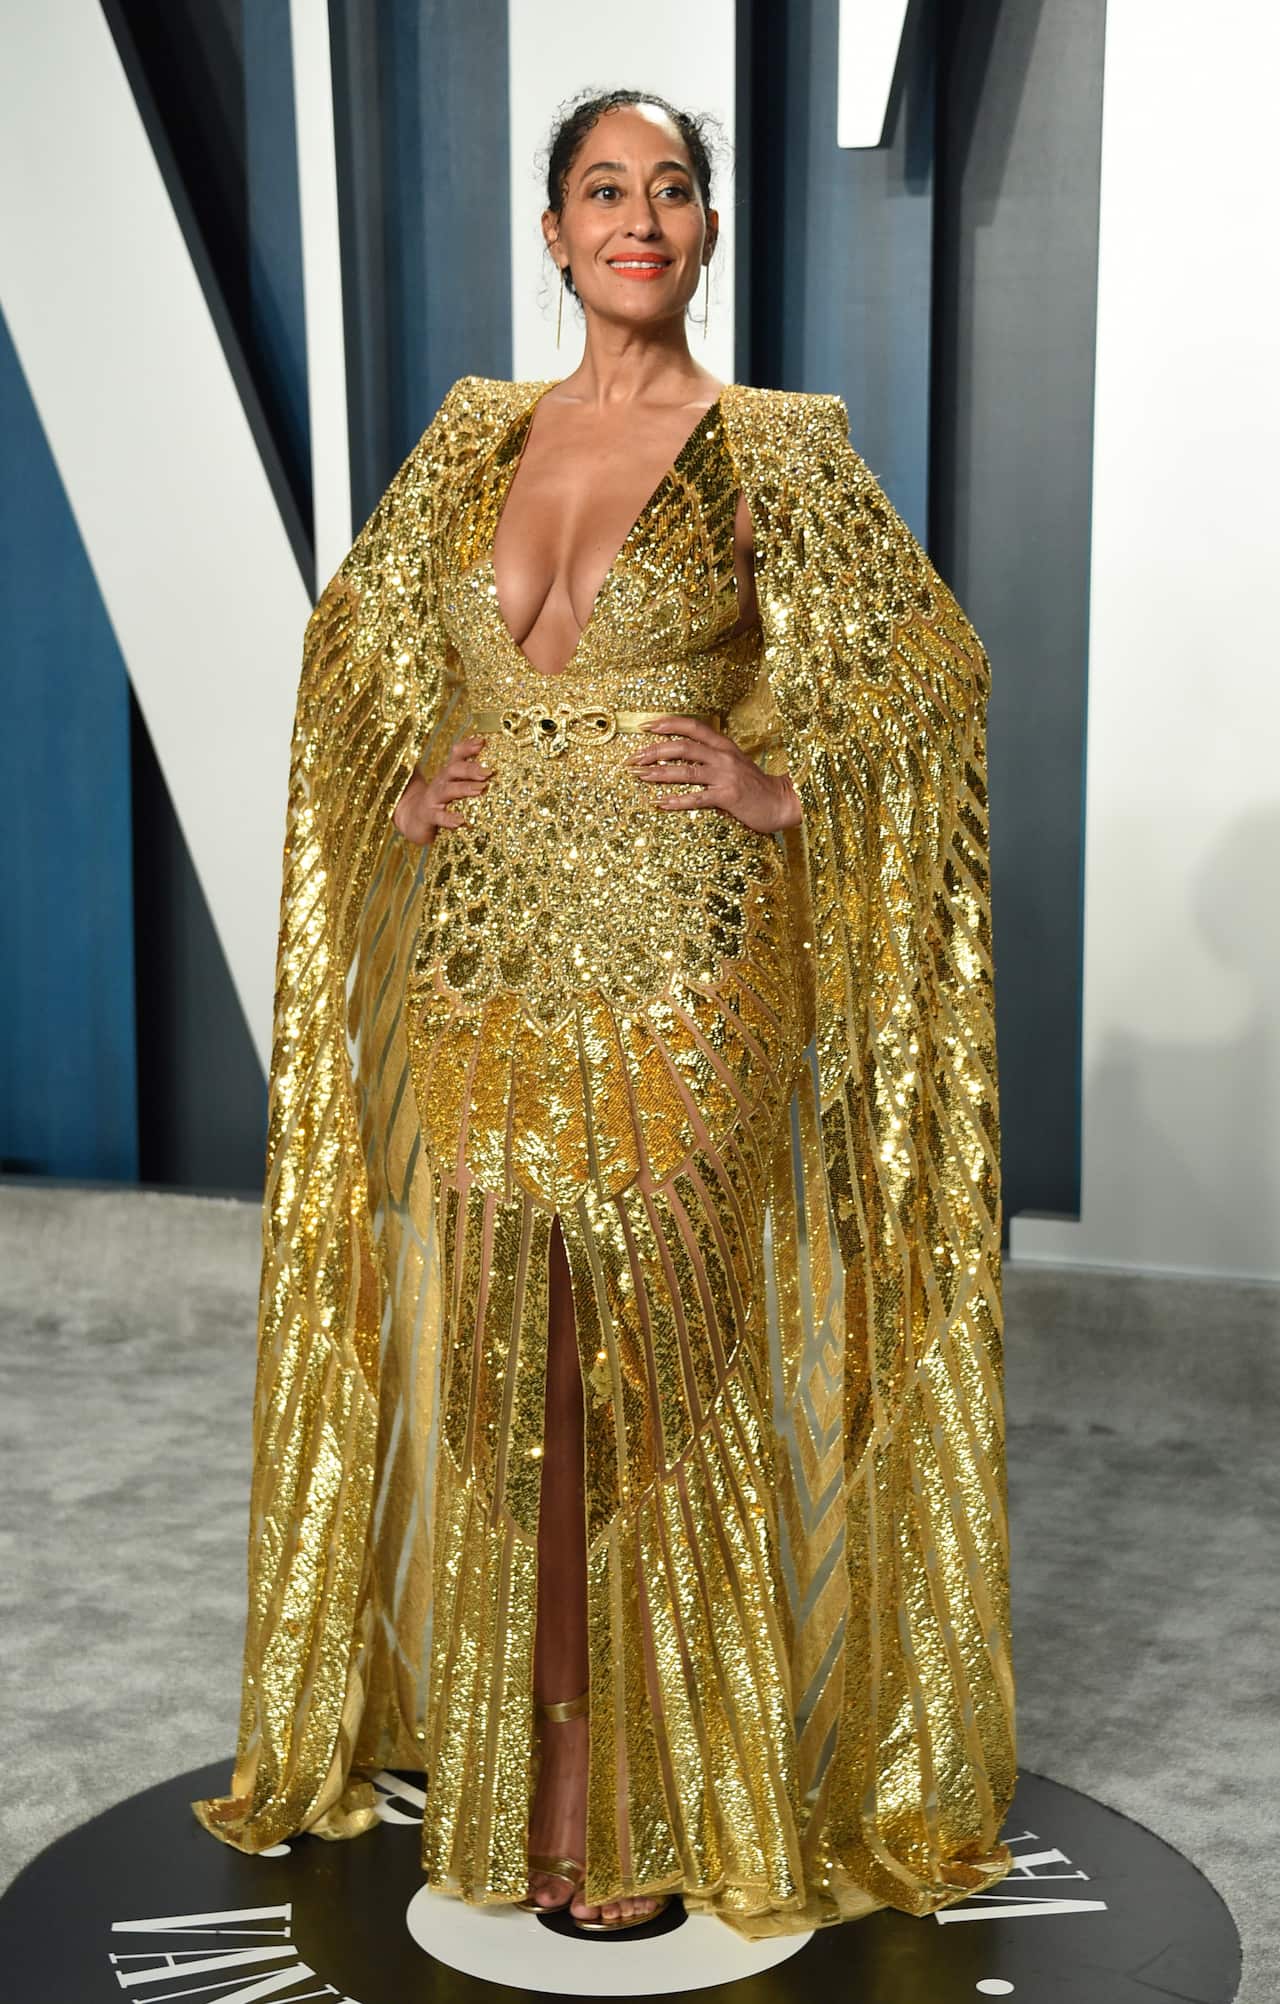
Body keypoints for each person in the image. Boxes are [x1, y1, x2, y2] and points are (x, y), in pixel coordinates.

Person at [192, 87, 1016, 1941]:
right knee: (518, 1380)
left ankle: (657, 1785)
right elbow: (356, 661)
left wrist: (782, 794)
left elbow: (930, 685)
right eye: (603, 189)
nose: (639, 217)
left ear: (707, 231)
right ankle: (544, 1770)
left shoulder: (776, 451)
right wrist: (404, 792)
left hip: (684, 969)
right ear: (554, 233)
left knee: (662, 1368)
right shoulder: (473, 438)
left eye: (672, 189)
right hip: (484, 965)